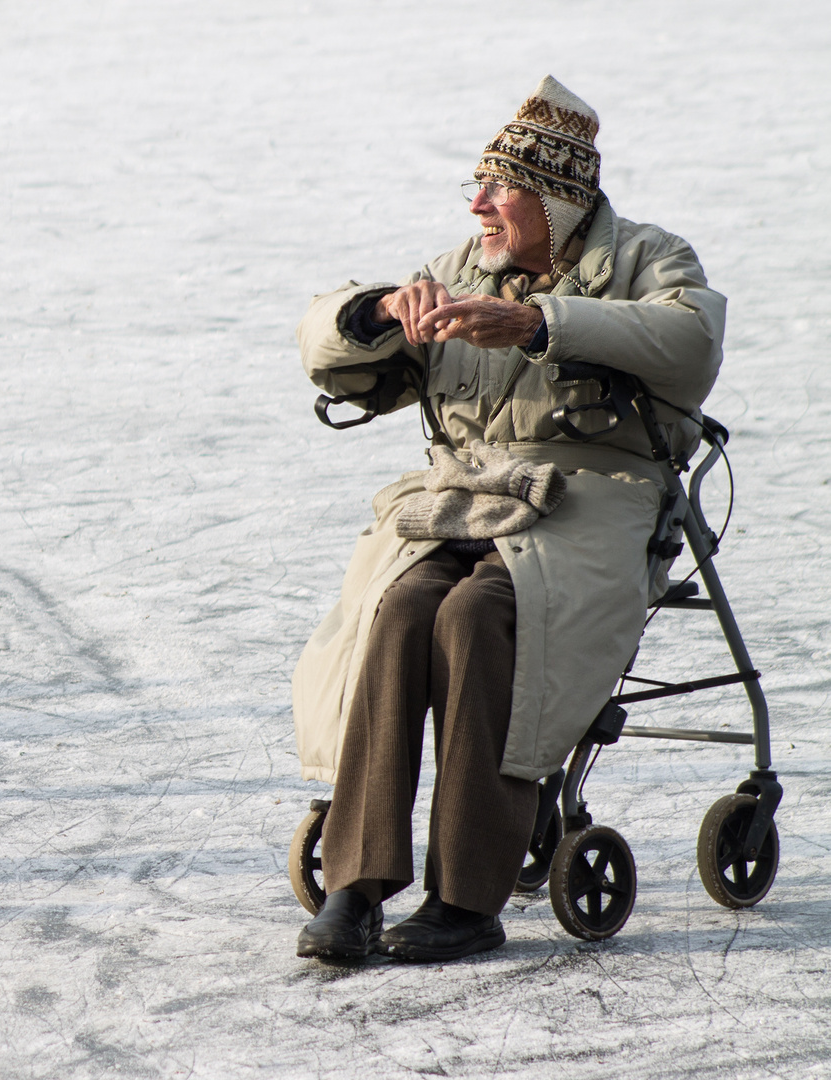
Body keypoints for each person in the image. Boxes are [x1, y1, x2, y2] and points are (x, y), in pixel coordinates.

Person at [291, 77, 725, 961]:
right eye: (477, 187)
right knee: (401, 608)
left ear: (557, 201)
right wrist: (378, 311)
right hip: (463, 496)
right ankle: (359, 883)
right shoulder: (458, 269)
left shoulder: (650, 256)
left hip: (594, 499)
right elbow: (324, 348)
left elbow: (689, 343)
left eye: (501, 188)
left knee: (478, 615)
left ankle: (465, 897)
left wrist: (538, 323)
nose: (480, 204)